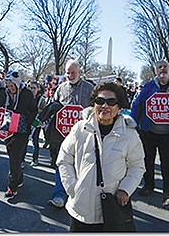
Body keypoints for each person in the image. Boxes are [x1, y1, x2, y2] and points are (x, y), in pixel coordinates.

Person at [56, 82, 145, 232]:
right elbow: (64, 159)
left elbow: (137, 166)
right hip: (79, 210)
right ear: (93, 104)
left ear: (119, 107)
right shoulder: (80, 129)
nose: (105, 106)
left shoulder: (129, 135)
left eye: (111, 102)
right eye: (100, 101)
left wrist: (125, 189)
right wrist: (72, 188)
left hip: (110, 211)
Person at [130, 60, 169, 206]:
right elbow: (137, 106)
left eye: (165, 66)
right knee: (147, 160)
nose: (162, 69)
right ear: (155, 71)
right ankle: (149, 186)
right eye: (159, 67)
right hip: (149, 131)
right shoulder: (148, 88)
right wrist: (133, 124)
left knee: (167, 162)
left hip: (168, 134)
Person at [47, 59, 94, 208]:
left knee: (82, 166)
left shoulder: (90, 88)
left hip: (84, 135)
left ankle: (79, 196)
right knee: (62, 163)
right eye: (67, 72)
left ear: (79, 72)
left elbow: (96, 110)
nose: (70, 75)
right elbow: (53, 108)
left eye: (73, 72)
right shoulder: (61, 89)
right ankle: (59, 195)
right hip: (64, 136)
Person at [1, 70, 37, 200]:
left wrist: (27, 122)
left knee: (15, 158)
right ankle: (19, 177)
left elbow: (34, 110)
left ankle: (12, 186)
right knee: (12, 156)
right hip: (9, 128)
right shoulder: (5, 94)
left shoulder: (26, 94)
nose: (10, 89)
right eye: (8, 86)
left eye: (12, 86)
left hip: (22, 130)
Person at [29, 81, 47, 166]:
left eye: (34, 88)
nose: (32, 90)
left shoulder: (42, 99)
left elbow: (44, 111)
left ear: (38, 89)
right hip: (27, 120)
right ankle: (21, 160)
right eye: (30, 87)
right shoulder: (26, 97)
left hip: (37, 121)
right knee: (24, 140)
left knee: (34, 138)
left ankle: (35, 158)